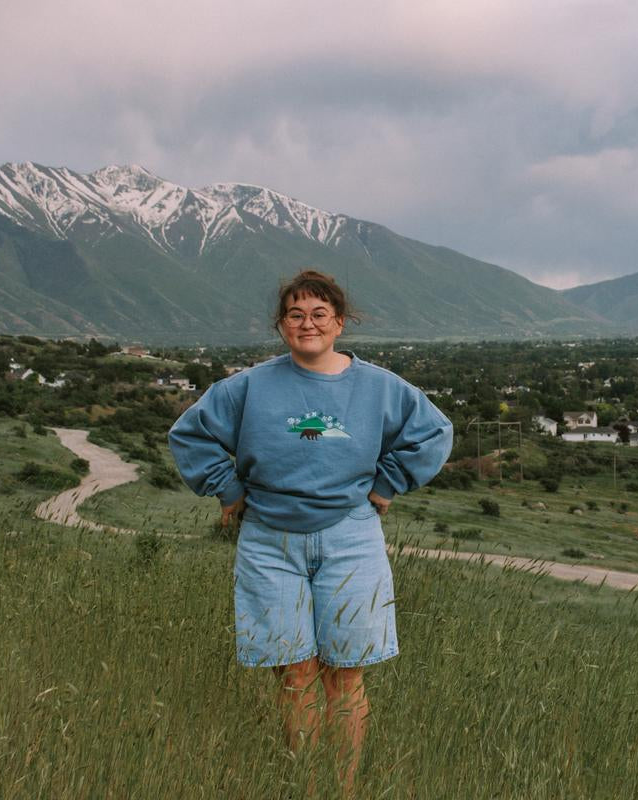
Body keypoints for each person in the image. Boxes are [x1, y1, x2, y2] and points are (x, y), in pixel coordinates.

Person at [168, 269, 453, 794]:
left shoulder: (378, 387)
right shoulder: (249, 386)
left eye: (320, 314)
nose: (308, 323)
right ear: (281, 326)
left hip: (351, 536)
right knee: (294, 674)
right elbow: (190, 434)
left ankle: (342, 789)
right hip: (269, 539)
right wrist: (227, 490)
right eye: (296, 314)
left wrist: (388, 483)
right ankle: (305, 786)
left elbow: (435, 432)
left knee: (344, 675)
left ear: (339, 323)